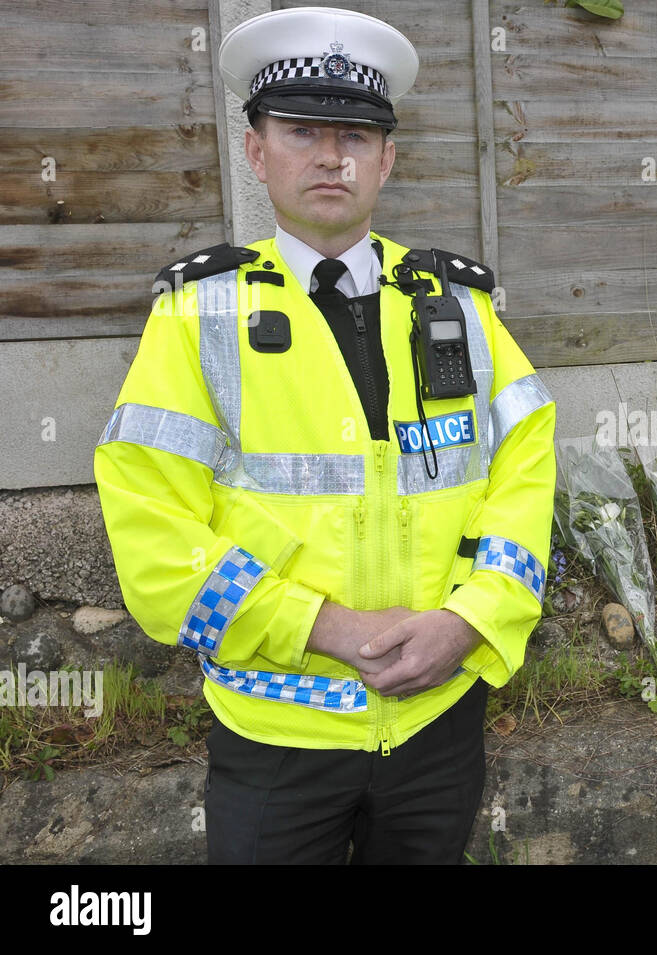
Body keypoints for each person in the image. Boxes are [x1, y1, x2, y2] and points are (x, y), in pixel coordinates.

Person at [92, 6, 556, 864]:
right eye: (302, 130)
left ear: (388, 157)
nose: (331, 154)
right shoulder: (198, 319)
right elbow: (154, 533)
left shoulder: (460, 305)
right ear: (255, 150)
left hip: (438, 722)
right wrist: (327, 627)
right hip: (279, 734)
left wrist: (469, 621)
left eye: (356, 134)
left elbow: (523, 476)